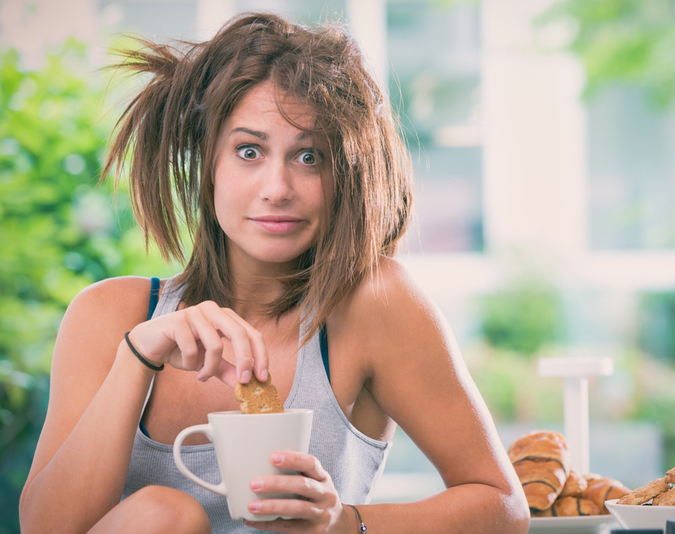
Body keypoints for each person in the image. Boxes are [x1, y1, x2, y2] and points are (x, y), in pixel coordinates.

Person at [18, 11, 529, 534]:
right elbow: (45, 527)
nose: (278, 188)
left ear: (343, 173)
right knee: (164, 516)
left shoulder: (375, 305)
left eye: (309, 156)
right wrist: (139, 357)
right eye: (248, 151)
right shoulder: (110, 316)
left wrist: (342, 521)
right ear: (207, 162)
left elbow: (503, 507)